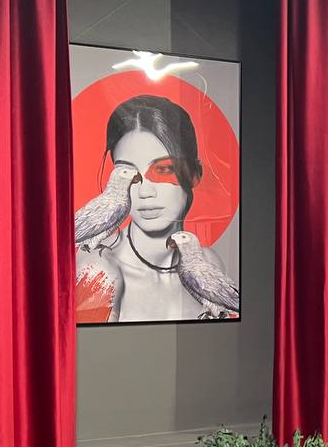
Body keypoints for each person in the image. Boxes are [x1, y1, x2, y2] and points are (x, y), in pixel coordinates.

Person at [75, 94, 230, 322]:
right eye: (127, 172)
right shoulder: (99, 271)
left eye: (164, 169)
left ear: (195, 174)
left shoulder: (209, 262)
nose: (145, 192)